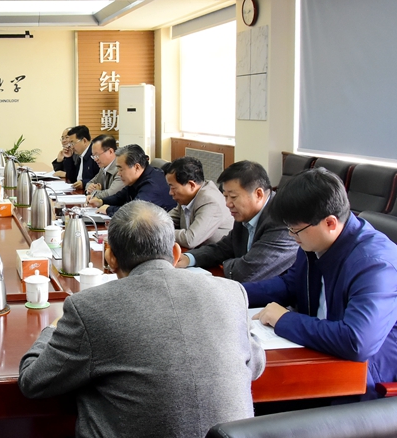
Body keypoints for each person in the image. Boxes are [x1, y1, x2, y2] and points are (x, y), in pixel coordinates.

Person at [18, 200, 265, 438]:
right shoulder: (231, 292)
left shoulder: (89, 308)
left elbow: (34, 382)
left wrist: (52, 328)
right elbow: (255, 366)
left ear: (110, 257)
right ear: (176, 253)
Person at [245, 168, 397, 401]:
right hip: (321, 358)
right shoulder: (316, 242)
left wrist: (283, 319)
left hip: (364, 383)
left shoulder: (375, 264)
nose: (291, 235)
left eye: (295, 229)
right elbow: (290, 285)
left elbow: (357, 341)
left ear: (330, 223)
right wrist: (234, 292)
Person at [175, 160, 298, 282]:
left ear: (258, 194)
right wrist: (189, 258)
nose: (228, 204)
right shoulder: (245, 213)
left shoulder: (282, 221)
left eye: (233, 197)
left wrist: (226, 262)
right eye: (225, 196)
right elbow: (223, 248)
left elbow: (246, 273)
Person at [165, 156, 233, 248]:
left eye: (173, 187)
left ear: (191, 185)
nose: (170, 192)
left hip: (216, 255)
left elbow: (190, 239)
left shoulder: (210, 201)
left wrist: (161, 232)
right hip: (197, 252)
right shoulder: (186, 198)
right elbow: (165, 220)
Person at [88, 144, 175, 216]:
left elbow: (133, 212)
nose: (118, 173)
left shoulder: (151, 185)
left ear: (136, 167)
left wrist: (108, 209)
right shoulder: (137, 178)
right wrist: (101, 201)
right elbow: (120, 197)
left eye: (121, 169)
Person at [84, 134, 123, 200]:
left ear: (110, 151)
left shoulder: (120, 169)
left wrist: (95, 191)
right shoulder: (103, 167)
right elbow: (90, 183)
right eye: (93, 156)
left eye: (97, 155)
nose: (95, 159)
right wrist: (90, 187)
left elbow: (110, 194)